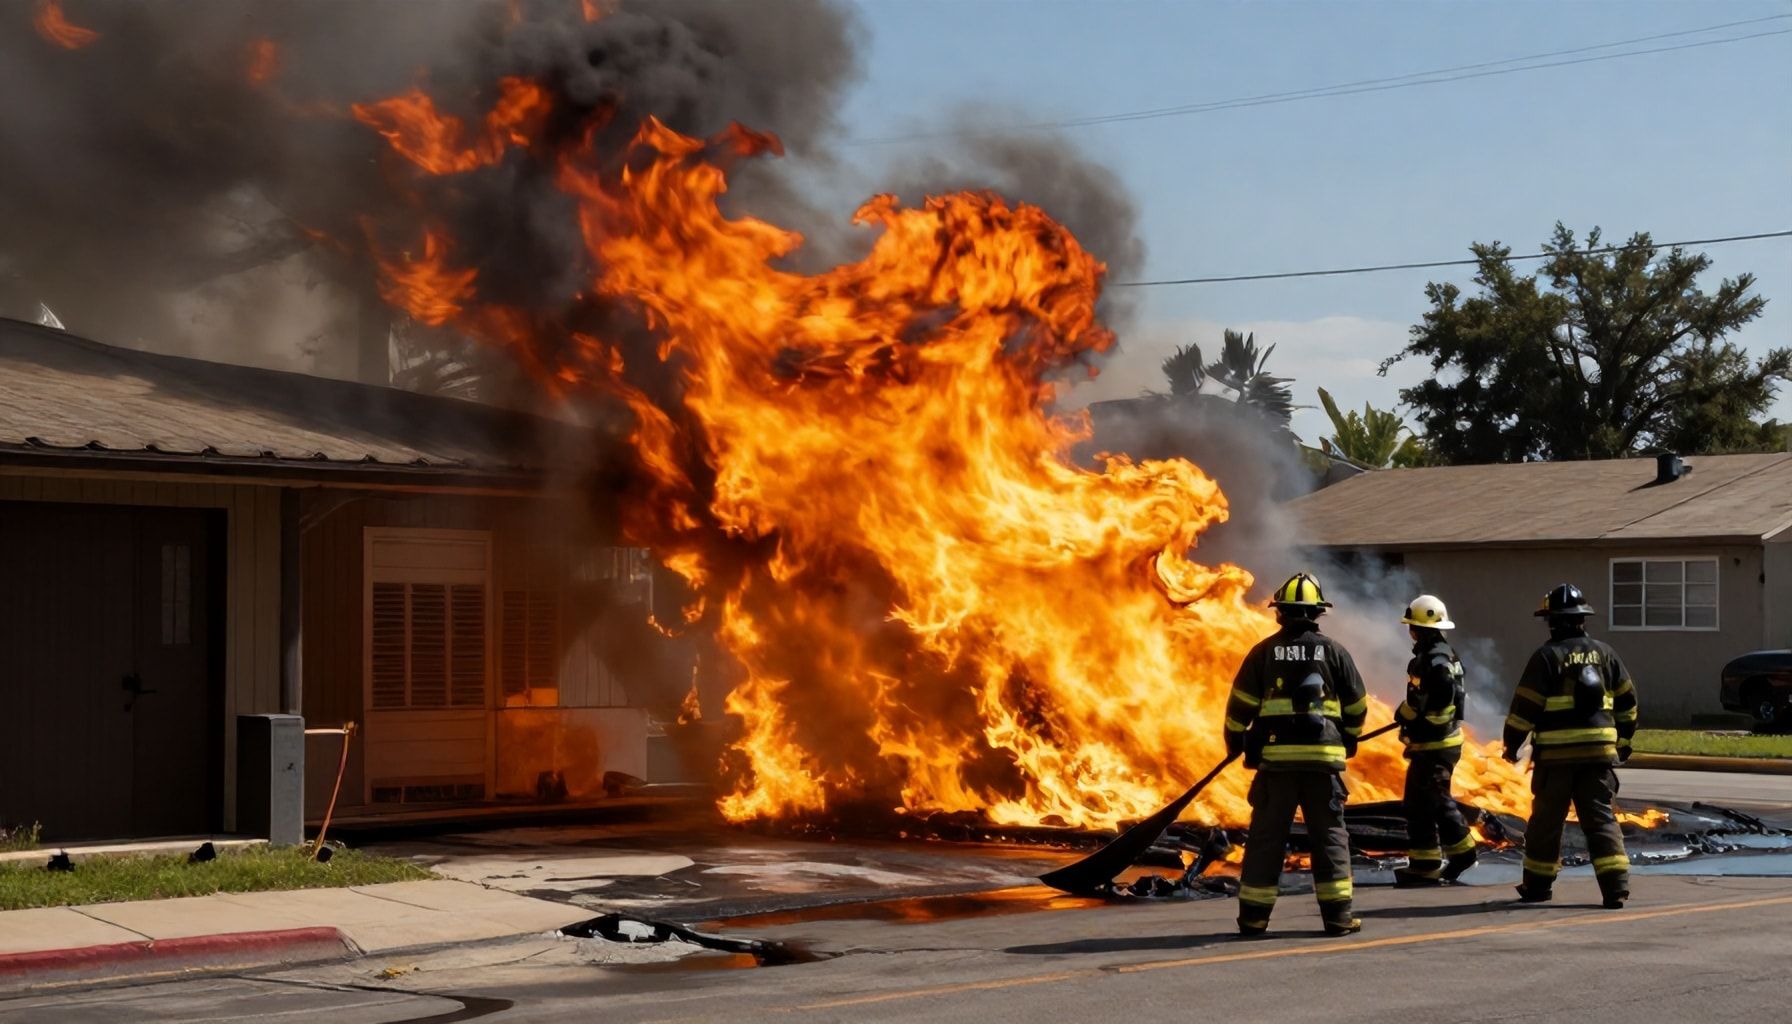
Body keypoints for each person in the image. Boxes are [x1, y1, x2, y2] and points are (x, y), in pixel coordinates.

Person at [1222, 572, 1369, 937]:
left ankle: (1254, 921)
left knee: (1266, 841)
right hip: (1323, 767)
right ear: (1318, 613)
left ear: (1280, 613)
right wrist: (1348, 740)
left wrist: (1237, 745)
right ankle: (1337, 920)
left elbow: (1239, 708)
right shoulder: (1335, 652)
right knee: (1330, 837)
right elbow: (1357, 705)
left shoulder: (1264, 653)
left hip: (1277, 768)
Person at [1502, 583, 1639, 908]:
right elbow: (1628, 703)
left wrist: (1511, 745)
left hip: (1557, 761)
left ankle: (1537, 887)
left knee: (1546, 824)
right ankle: (1616, 888)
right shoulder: (1606, 654)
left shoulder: (1547, 657)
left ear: (1551, 621)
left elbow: (1525, 708)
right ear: (1582, 619)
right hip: (1598, 759)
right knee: (1601, 821)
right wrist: (1623, 741)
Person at [1392, 595, 1478, 886]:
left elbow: (1439, 692)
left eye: (1412, 626)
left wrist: (1416, 717)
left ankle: (1464, 852)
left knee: (1437, 799)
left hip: (1436, 744)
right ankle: (1425, 864)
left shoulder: (1435, 658)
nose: (1410, 632)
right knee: (1417, 803)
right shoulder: (1440, 653)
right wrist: (1407, 715)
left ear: (1420, 629)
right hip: (1434, 742)